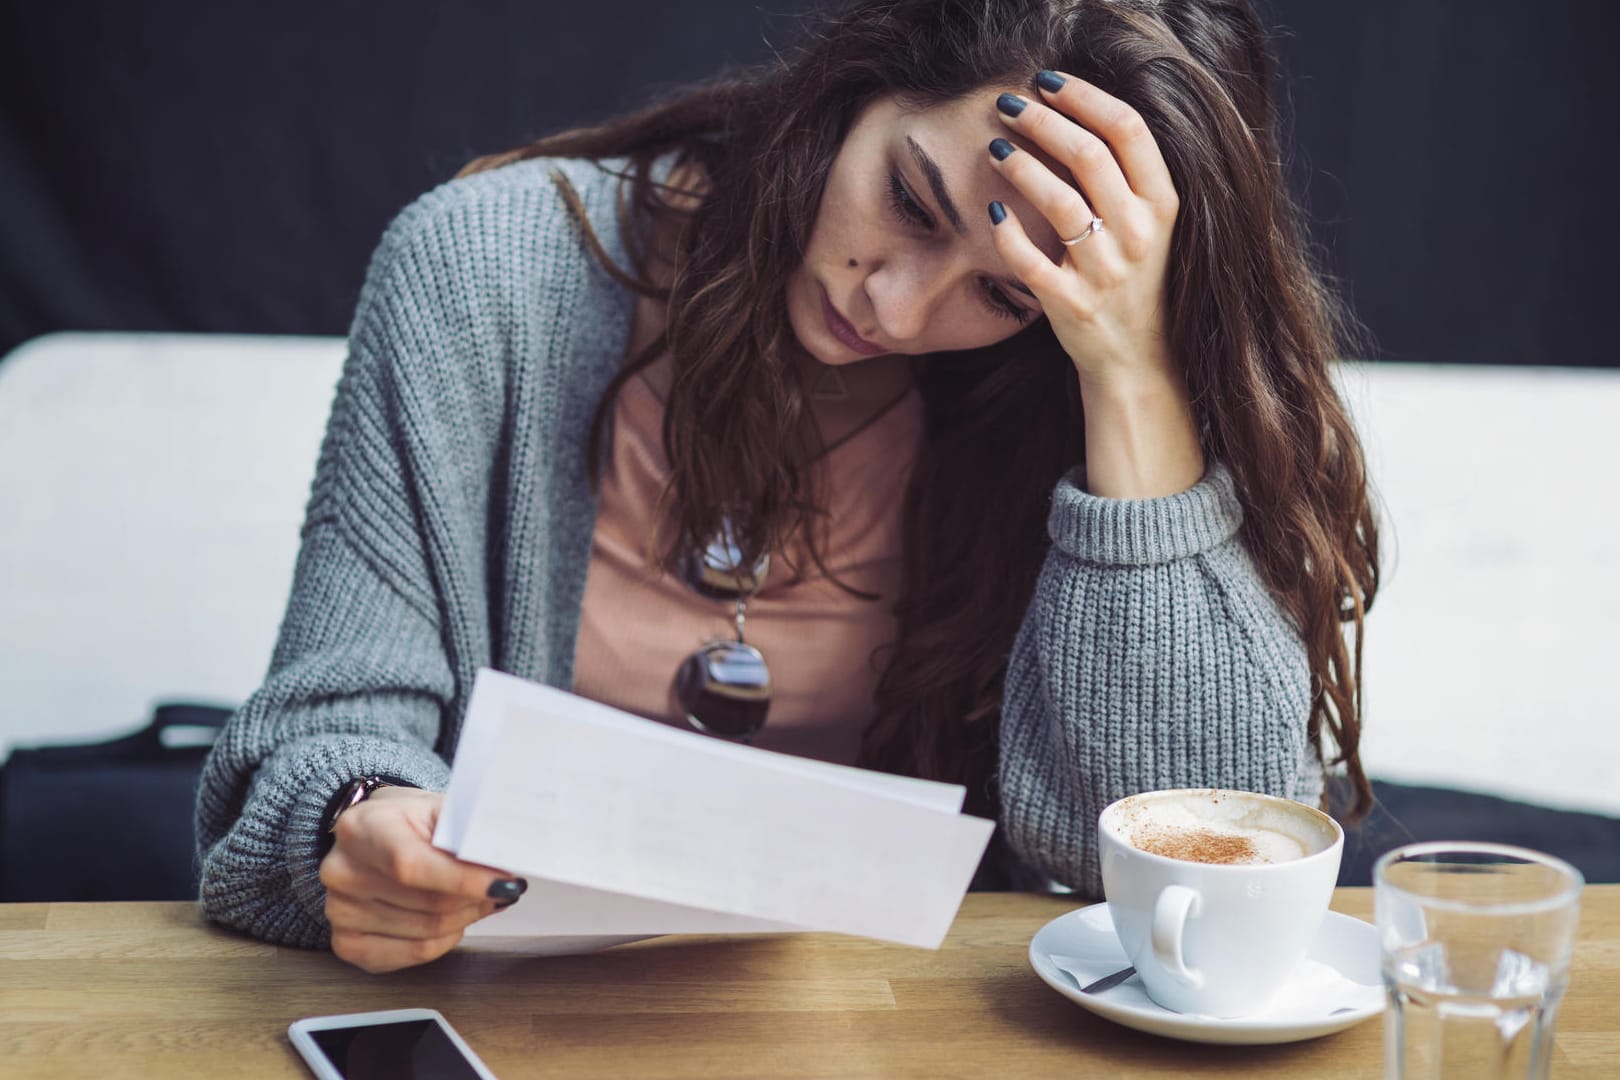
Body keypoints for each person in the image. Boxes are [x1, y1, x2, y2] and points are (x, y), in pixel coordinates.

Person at [195, 0, 1379, 974]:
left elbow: (1202, 868)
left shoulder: (1049, 397)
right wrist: (353, 821)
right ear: (860, 81)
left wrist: (1128, 375)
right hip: (514, 1014)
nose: (898, 308)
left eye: (1007, 294)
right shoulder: (483, 274)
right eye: (911, 202)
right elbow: (320, 737)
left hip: (891, 1037)